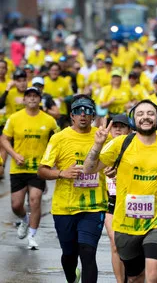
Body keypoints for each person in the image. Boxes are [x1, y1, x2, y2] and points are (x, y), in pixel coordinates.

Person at [83, 99, 157, 283]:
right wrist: (97, 145)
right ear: (134, 120)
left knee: (154, 273)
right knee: (134, 279)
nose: (146, 117)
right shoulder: (120, 144)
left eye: (150, 113)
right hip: (126, 223)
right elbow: (88, 169)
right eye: (140, 114)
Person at [38, 95, 108, 283]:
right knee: (69, 255)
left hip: (94, 206)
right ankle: (72, 278)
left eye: (87, 111)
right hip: (64, 207)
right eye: (78, 111)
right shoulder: (59, 138)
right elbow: (42, 170)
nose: (83, 115)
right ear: (72, 115)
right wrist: (62, 173)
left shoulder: (101, 138)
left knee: (87, 252)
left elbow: (113, 163)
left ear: (93, 116)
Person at [1, 87, 57, 249]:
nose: (32, 99)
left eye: (35, 96)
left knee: (35, 200)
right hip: (18, 168)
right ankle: (25, 220)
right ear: (24, 100)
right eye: (29, 96)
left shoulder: (48, 120)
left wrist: (51, 159)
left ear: (40, 100)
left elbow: (58, 139)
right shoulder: (14, 118)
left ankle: (32, 235)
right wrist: (14, 154)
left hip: (38, 168)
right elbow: (4, 139)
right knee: (16, 205)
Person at [104, 114, 131, 283]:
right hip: (111, 202)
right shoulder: (103, 148)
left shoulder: (137, 147)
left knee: (132, 246)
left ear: (129, 130)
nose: (118, 129)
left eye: (122, 126)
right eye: (115, 126)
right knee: (115, 243)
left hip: (134, 202)